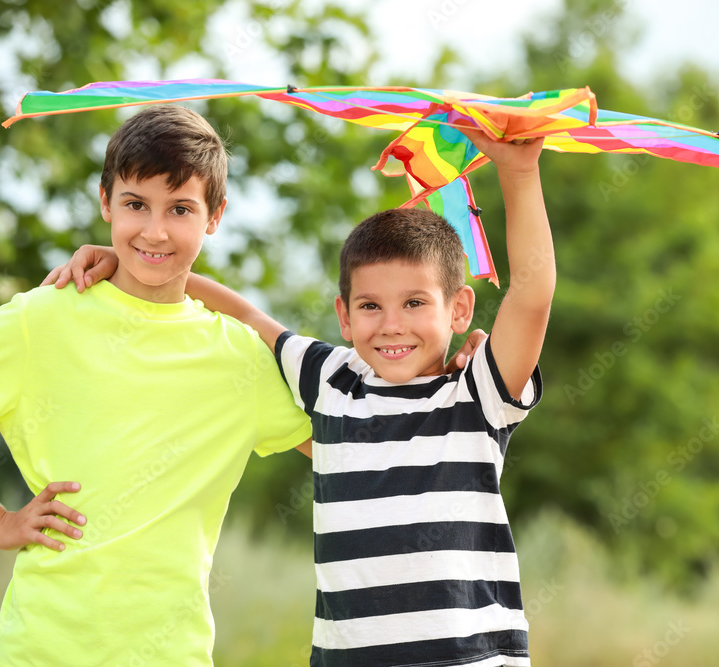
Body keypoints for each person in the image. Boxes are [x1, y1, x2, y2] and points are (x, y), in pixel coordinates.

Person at [49, 127, 554, 666]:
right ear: (343, 316)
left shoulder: (475, 394)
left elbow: (531, 293)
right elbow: (247, 314)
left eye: (414, 303)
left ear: (458, 309)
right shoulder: (331, 379)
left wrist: (519, 174)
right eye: (369, 306)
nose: (391, 325)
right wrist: (130, 262)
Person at [0, 105, 314, 666]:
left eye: (180, 209)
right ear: (105, 200)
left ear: (215, 216)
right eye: (136, 205)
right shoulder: (43, 317)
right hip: (41, 652)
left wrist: (455, 377)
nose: (155, 230)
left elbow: (347, 439)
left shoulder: (241, 360)